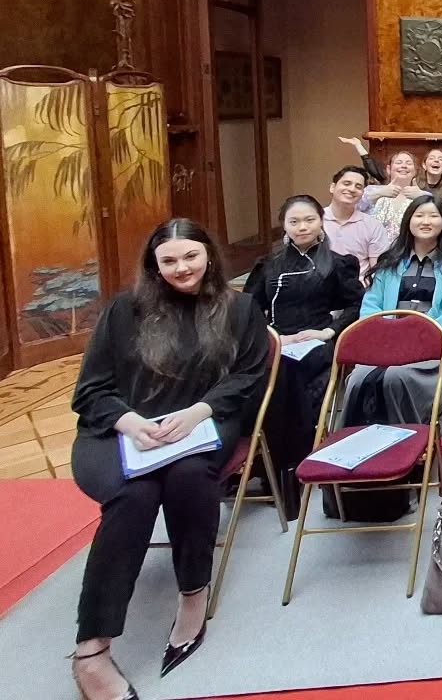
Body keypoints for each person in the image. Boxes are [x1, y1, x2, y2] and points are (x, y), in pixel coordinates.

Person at [70, 219, 269, 699]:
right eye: (170, 260)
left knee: (188, 479)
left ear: (209, 257)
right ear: (154, 266)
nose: (182, 268)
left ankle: (192, 593)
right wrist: (130, 423)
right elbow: (91, 390)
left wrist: (199, 410)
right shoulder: (125, 311)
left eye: (191, 257)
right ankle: (91, 649)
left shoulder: (239, 308)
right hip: (119, 431)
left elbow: (248, 377)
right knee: (133, 496)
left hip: (201, 423)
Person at [243, 196, 364, 484]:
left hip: (317, 339)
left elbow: (357, 306)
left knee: (290, 370)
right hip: (277, 339)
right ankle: (261, 459)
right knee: (258, 372)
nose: (302, 227)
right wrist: (272, 337)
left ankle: (292, 461)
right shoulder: (268, 265)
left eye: (309, 220)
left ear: (321, 221)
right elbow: (247, 308)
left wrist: (328, 332)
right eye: (294, 222)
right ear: (283, 226)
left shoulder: (337, 263)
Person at [342, 196, 442, 425]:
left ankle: (404, 442)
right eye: (419, 215)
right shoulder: (389, 262)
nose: (426, 221)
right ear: (408, 221)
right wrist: (384, 330)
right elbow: (371, 304)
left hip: (429, 347)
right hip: (386, 340)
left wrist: (423, 331)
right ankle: (356, 443)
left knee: (395, 377)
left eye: (433, 216)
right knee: (358, 379)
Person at [322, 165, 389, 276]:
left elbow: (378, 270)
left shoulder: (372, 226)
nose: (352, 189)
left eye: (358, 187)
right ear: (332, 187)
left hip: (358, 289)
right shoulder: (315, 221)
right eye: (346, 184)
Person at [358, 149, 425, 242]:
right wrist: (380, 193)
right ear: (389, 169)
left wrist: (421, 198)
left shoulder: (423, 195)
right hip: (372, 250)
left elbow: (437, 216)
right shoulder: (371, 190)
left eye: (409, 163)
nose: (404, 166)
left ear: (415, 171)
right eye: (399, 162)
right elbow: (352, 208)